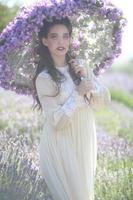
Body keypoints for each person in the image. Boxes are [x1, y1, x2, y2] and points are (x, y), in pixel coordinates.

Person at [33, 16, 111, 200]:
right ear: (45, 41)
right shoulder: (44, 79)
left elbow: (102, 103)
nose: (61, 41)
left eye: (65, 36)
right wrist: (77, 93)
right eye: (54, 36)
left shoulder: (81, 66)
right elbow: (57, 122)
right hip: (61, 141)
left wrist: (87, 80)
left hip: (83, 136)